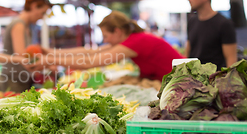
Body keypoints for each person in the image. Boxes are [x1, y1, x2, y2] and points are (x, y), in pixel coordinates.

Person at [36, 11, 184, 81]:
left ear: (117, 32)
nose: (105, 41)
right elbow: (90, 52)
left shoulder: (134, 43)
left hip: (181, 80)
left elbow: (89, 62)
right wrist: (50, 53)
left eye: (106, 36)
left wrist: (50, 60)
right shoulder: (131, 40)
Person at [0, 0, 52, 93]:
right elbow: (22, 56)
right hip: (13, 81)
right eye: (43, 12)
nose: (42, 16)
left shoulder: (27, 26)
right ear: (34, 6)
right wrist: (48, 64)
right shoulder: (19, 25)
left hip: (20, 79)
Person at [185, 0, 237, 68]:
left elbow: (231, 62)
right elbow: (187, 54)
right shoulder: (192, 21)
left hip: (214, 80)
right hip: (192, 80)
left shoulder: (224, 24)